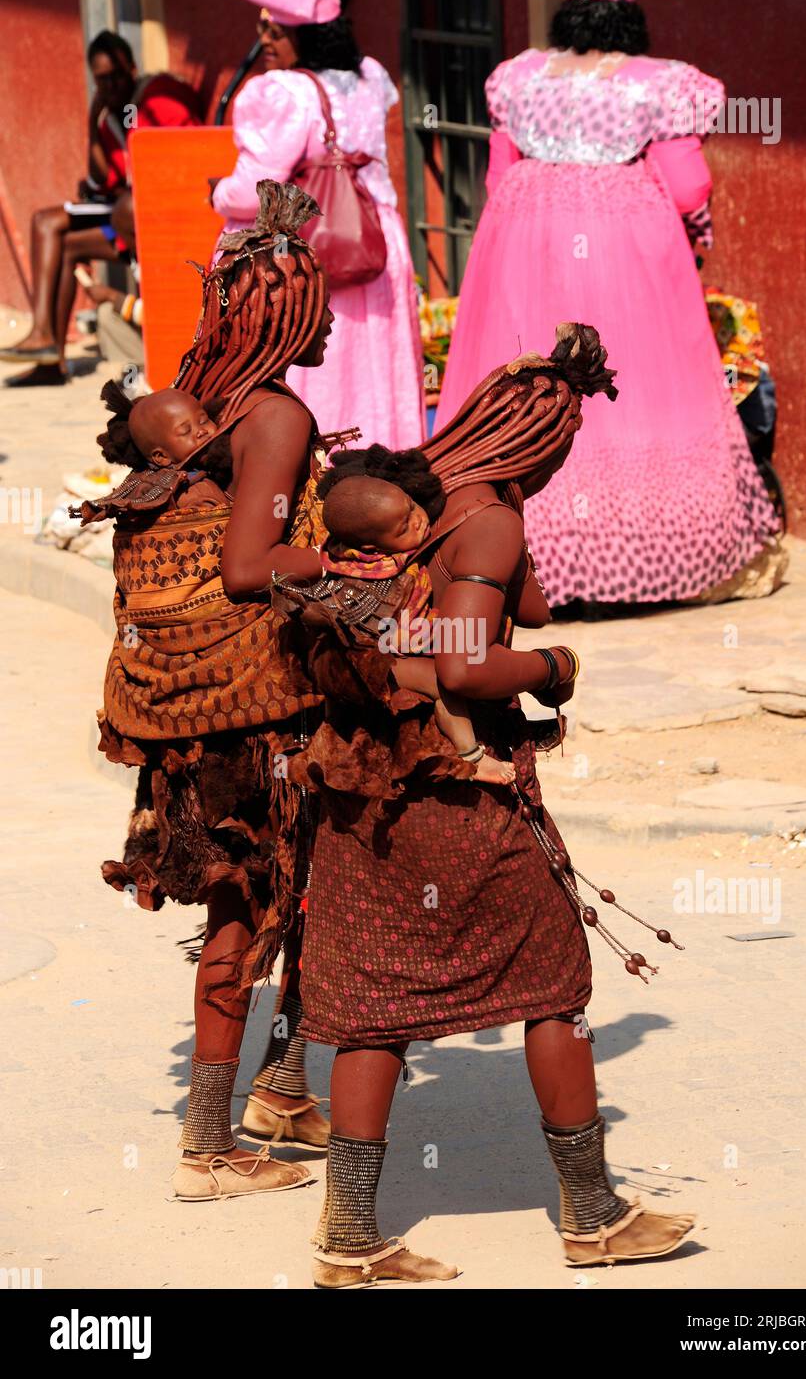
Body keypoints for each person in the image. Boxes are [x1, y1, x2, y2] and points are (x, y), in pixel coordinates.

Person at [284, 323, 695, 1287]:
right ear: (540, 441)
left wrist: (523, 585)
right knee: (555, 983)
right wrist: (555, 667)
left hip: (358, 785)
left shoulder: (421, 496)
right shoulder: (486, 520)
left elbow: (517, 602)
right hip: (450, 797)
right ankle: (592, 1215)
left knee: (374, 1007)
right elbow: (469, 665)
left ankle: (348, 1238)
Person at [87, 182, 340, 1200]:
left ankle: (281, 1085)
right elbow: (249, 565)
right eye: (315, 303)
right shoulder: (275, 413)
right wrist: (343, 558)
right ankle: (207, 1148)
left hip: (194, 703)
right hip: (250, 709)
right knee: (247, 900)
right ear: (284, 316)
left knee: (300, 886)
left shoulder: (204, 392)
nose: (328, 319)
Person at [435, 0, 785, 608]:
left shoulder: (517, 77)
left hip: (521, 238)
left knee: (529, 374)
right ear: (630, 16)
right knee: (641, 384)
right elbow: (686, 186)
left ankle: (528, 552)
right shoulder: (660, 83)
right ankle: (649, 554)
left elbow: (495, 177)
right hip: (625, 244)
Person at [212, 0, 425, 447]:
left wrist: (218, 194)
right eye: (262, 27)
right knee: (373, 367)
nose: (265, 38)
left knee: (315, 360)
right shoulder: (369, 76)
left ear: (306, 34)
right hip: (373, 239)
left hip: (315, 246)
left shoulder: (284, 92)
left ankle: (308, 468)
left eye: (276, 29)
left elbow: (256, 190)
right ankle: (377, 469)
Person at [299, 462, 522, 784]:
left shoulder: (372, 539)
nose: (418, 521)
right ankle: (472, 757)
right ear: (370, 548)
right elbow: (383, 633)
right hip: (379, 654)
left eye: (412, 506)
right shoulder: (372, 569)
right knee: (445, 682)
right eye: (403, 528)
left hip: (410, 633)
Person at [0, 31, 200, 384]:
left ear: (131, 68)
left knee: (46, 221)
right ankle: (51, 359)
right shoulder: (114, 116)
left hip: (161, 212)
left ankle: (43, 333)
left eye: (114, 77)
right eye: (100, 81)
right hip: (126, 214)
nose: (108, 87)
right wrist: (94, 123)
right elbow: (103, 179)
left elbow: (189, 150)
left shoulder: (158, 97)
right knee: (63, 243)